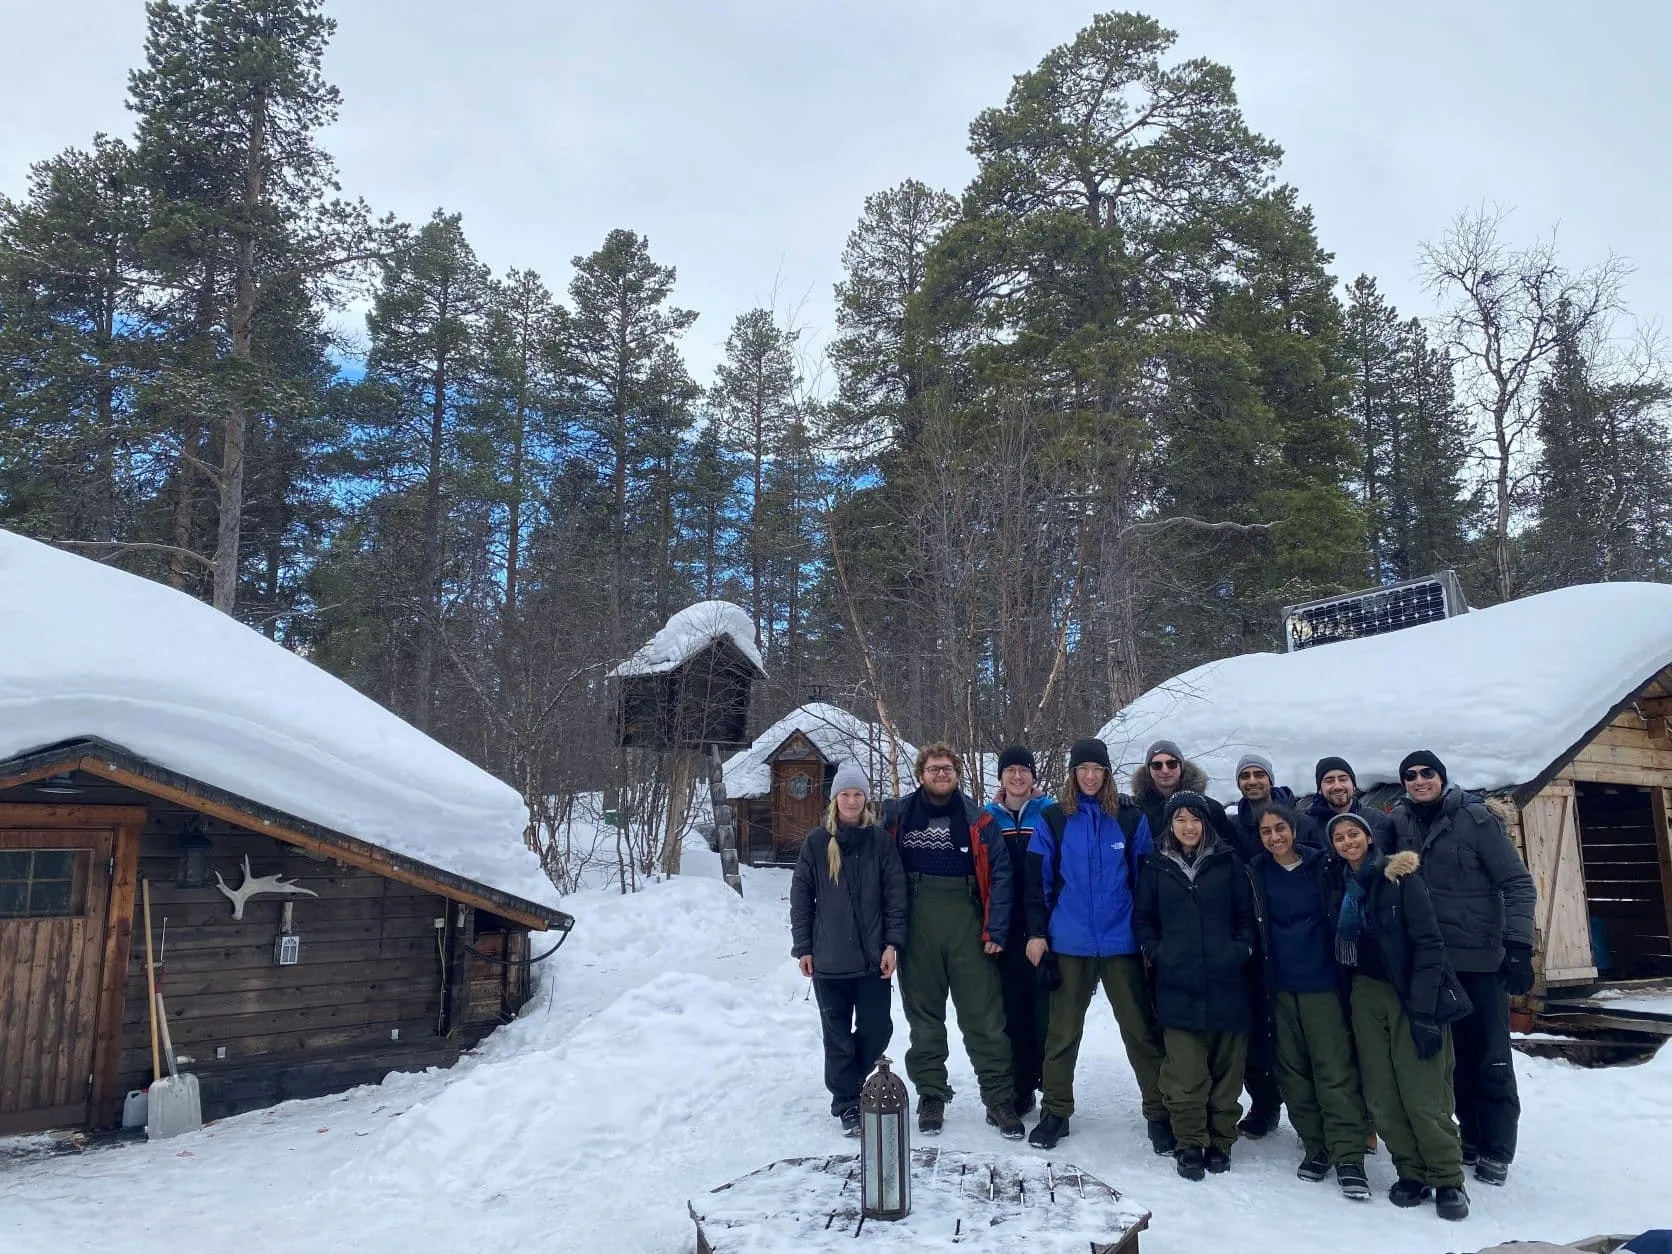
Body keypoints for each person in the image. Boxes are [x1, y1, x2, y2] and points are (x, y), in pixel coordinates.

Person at [1389, 750, 1536, 1188]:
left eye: (1427, 773)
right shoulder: (1401, 821)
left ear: (1442, 776)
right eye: (1410, 775)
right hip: (1434, 963)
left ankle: (1496, 1147)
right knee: (1451, 1059)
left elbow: (1517, 882)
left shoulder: (1475, 819)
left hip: (1480, 959)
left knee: (1490, 1055)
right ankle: (1469, 1134)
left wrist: (1519, 945)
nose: (1419, 781)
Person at [1023, 738, 1169, 1154]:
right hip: (1070, 940)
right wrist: (1037, 932)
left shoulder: (1129, 818)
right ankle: (1056, 1111)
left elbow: (1145, 881)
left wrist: (1148, 935)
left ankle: (1159, 1112)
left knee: (1140, 1030)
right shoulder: (1054, 819)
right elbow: (1038, 881)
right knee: (1062, 1032)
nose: (1090, 776)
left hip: (1122, 940)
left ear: (1106, 774)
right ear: (1073, 773)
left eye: (1097, 770)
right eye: (1083, 769)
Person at [1328, 811, 1470, 1220]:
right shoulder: (1339, 885)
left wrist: (1423, 1010)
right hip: (1365, 993)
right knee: (1382, 1092)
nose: (1348, 842)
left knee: (1423, 1092)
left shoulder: (1399, 878)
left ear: (1369, 838)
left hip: (1408, 993)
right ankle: (1410, 1170)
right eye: (1339, 837)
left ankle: (1447, 1177)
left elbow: (1429, 943)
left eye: (1354, 834)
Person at [882, 742, 1023, 1140]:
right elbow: (877, 868)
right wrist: (888, 935)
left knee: (984, 1018)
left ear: (957, 774)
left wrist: (996, 930)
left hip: (967, 919)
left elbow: (1001, 875)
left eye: (947, 768)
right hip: (917, 922)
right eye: (933, 769)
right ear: (920, 775)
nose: (941, 774)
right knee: (924, 1018)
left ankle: (999, 1098)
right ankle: (931, 1094)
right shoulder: (896, 816)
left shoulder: (979, 818)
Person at [1248, 802, 1371, 1201]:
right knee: (1293, 1073)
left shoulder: (1323, 867)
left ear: (1294, 828)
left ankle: (1348, 1155)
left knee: (1333, 1070)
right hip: (1279, 987)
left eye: (1280, 828)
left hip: (1321, 983)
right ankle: (1316, 1146)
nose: (1275, 837)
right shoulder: (1256, 873)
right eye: (1266, 832)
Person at [1134, 791, 1257, 1181]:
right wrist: (1157, 951)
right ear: (1170, 825)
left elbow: (1246, 917)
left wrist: (1239, 950)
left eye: (1195, 819)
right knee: (1184, 1072)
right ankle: (1189, 1141)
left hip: (1226, 981)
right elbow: (1144, 919)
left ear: (1206, 823)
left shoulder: (1227, 863)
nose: (1189, 827)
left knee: (1226, 1072)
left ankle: (1220, 1140)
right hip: (1177, 982)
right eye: (1180, 819)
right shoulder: (1155, 866)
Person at [790, 762, 908, 1134]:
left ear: (866, 799)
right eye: (846, 794)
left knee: (878, 1028)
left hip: (873, 959)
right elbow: (801, 898)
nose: (852, 801)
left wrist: (892, 944)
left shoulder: (880, 842)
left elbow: (895, 896)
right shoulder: (816, 843)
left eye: (858, 794)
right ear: (835, 799)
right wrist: (803, 947)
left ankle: (851, 1080)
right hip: (829, 960)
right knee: (837, 1036)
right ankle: (846, 1103)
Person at [1226, 752, 1311, 1141]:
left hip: (1294, 934)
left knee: (1300, 1029)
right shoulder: (1232, 825)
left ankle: (1312, 1110)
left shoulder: (1298, 818)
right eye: (1245, 775)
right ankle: (1264, 1103)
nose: (1252, 780)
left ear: (1271, 779)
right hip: (1251, 933)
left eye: (1258, 773)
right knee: (1256, 1028)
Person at [985, 744, 1052, 1117]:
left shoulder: (1050, 812)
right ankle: (1021, 1087)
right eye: (1010, 770)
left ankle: (1051, 1086)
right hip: (1006, 930)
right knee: (1013, 1013)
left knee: (1046, 1013)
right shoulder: (988, 817)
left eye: (1023, 770)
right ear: (1001, 777)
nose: (1017, 776)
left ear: (1033, 776)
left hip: (1044, 927)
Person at [1130, 739, 1234, 847]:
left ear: (1181, 765)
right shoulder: (1135, 809)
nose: (1165, 770)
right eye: (1157, 765)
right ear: (1148, 769)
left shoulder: (1211, 808)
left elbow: (1227, 849)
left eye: (1172, 764)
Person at [1306, 756, 1394, 844]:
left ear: (1353, 785)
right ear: (1320, 789)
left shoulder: (1379, 821)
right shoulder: (1306, 825)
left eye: (1343, 779)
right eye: (1329, 781)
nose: (1337, 786)